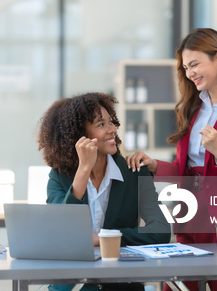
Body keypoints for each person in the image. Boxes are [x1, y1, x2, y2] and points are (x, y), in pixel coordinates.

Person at [125, 28, 217, 291]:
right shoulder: (193, 108)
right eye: (185, 67)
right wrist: (155, 164)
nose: (190, 73)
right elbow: (188, 169)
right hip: (191, 213)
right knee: (176, 287)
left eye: (195, 64)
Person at [37, 92, 170, 291]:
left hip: (119, 285)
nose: (112, 130)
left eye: (111, 122)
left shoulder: (134, 172)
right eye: (101, 125)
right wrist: (83, 171)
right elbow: (61, 234)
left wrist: (104, 238)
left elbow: (160, 230)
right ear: (79, 137)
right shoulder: (59, 177)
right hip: (71, 285)